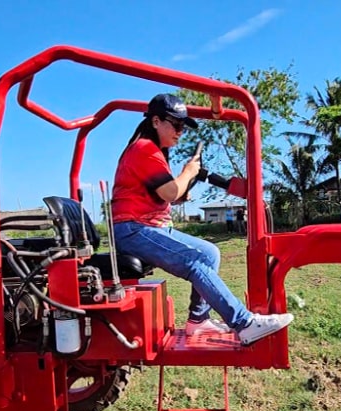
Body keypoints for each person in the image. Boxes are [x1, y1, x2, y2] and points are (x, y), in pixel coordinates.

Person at [110, 93, 293, 343]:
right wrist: (188, 172)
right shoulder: (144, 149)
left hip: (148, 226)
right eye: (176, 125)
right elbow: (171, 191)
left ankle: (198, 320)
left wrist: (186, 183)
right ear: (155, 121)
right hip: (132, 229)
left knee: (209, 253)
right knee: (195, 260)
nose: (180, 132)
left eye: (183, 127)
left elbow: (168, 195)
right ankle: (245, 323)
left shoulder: (152, 152)